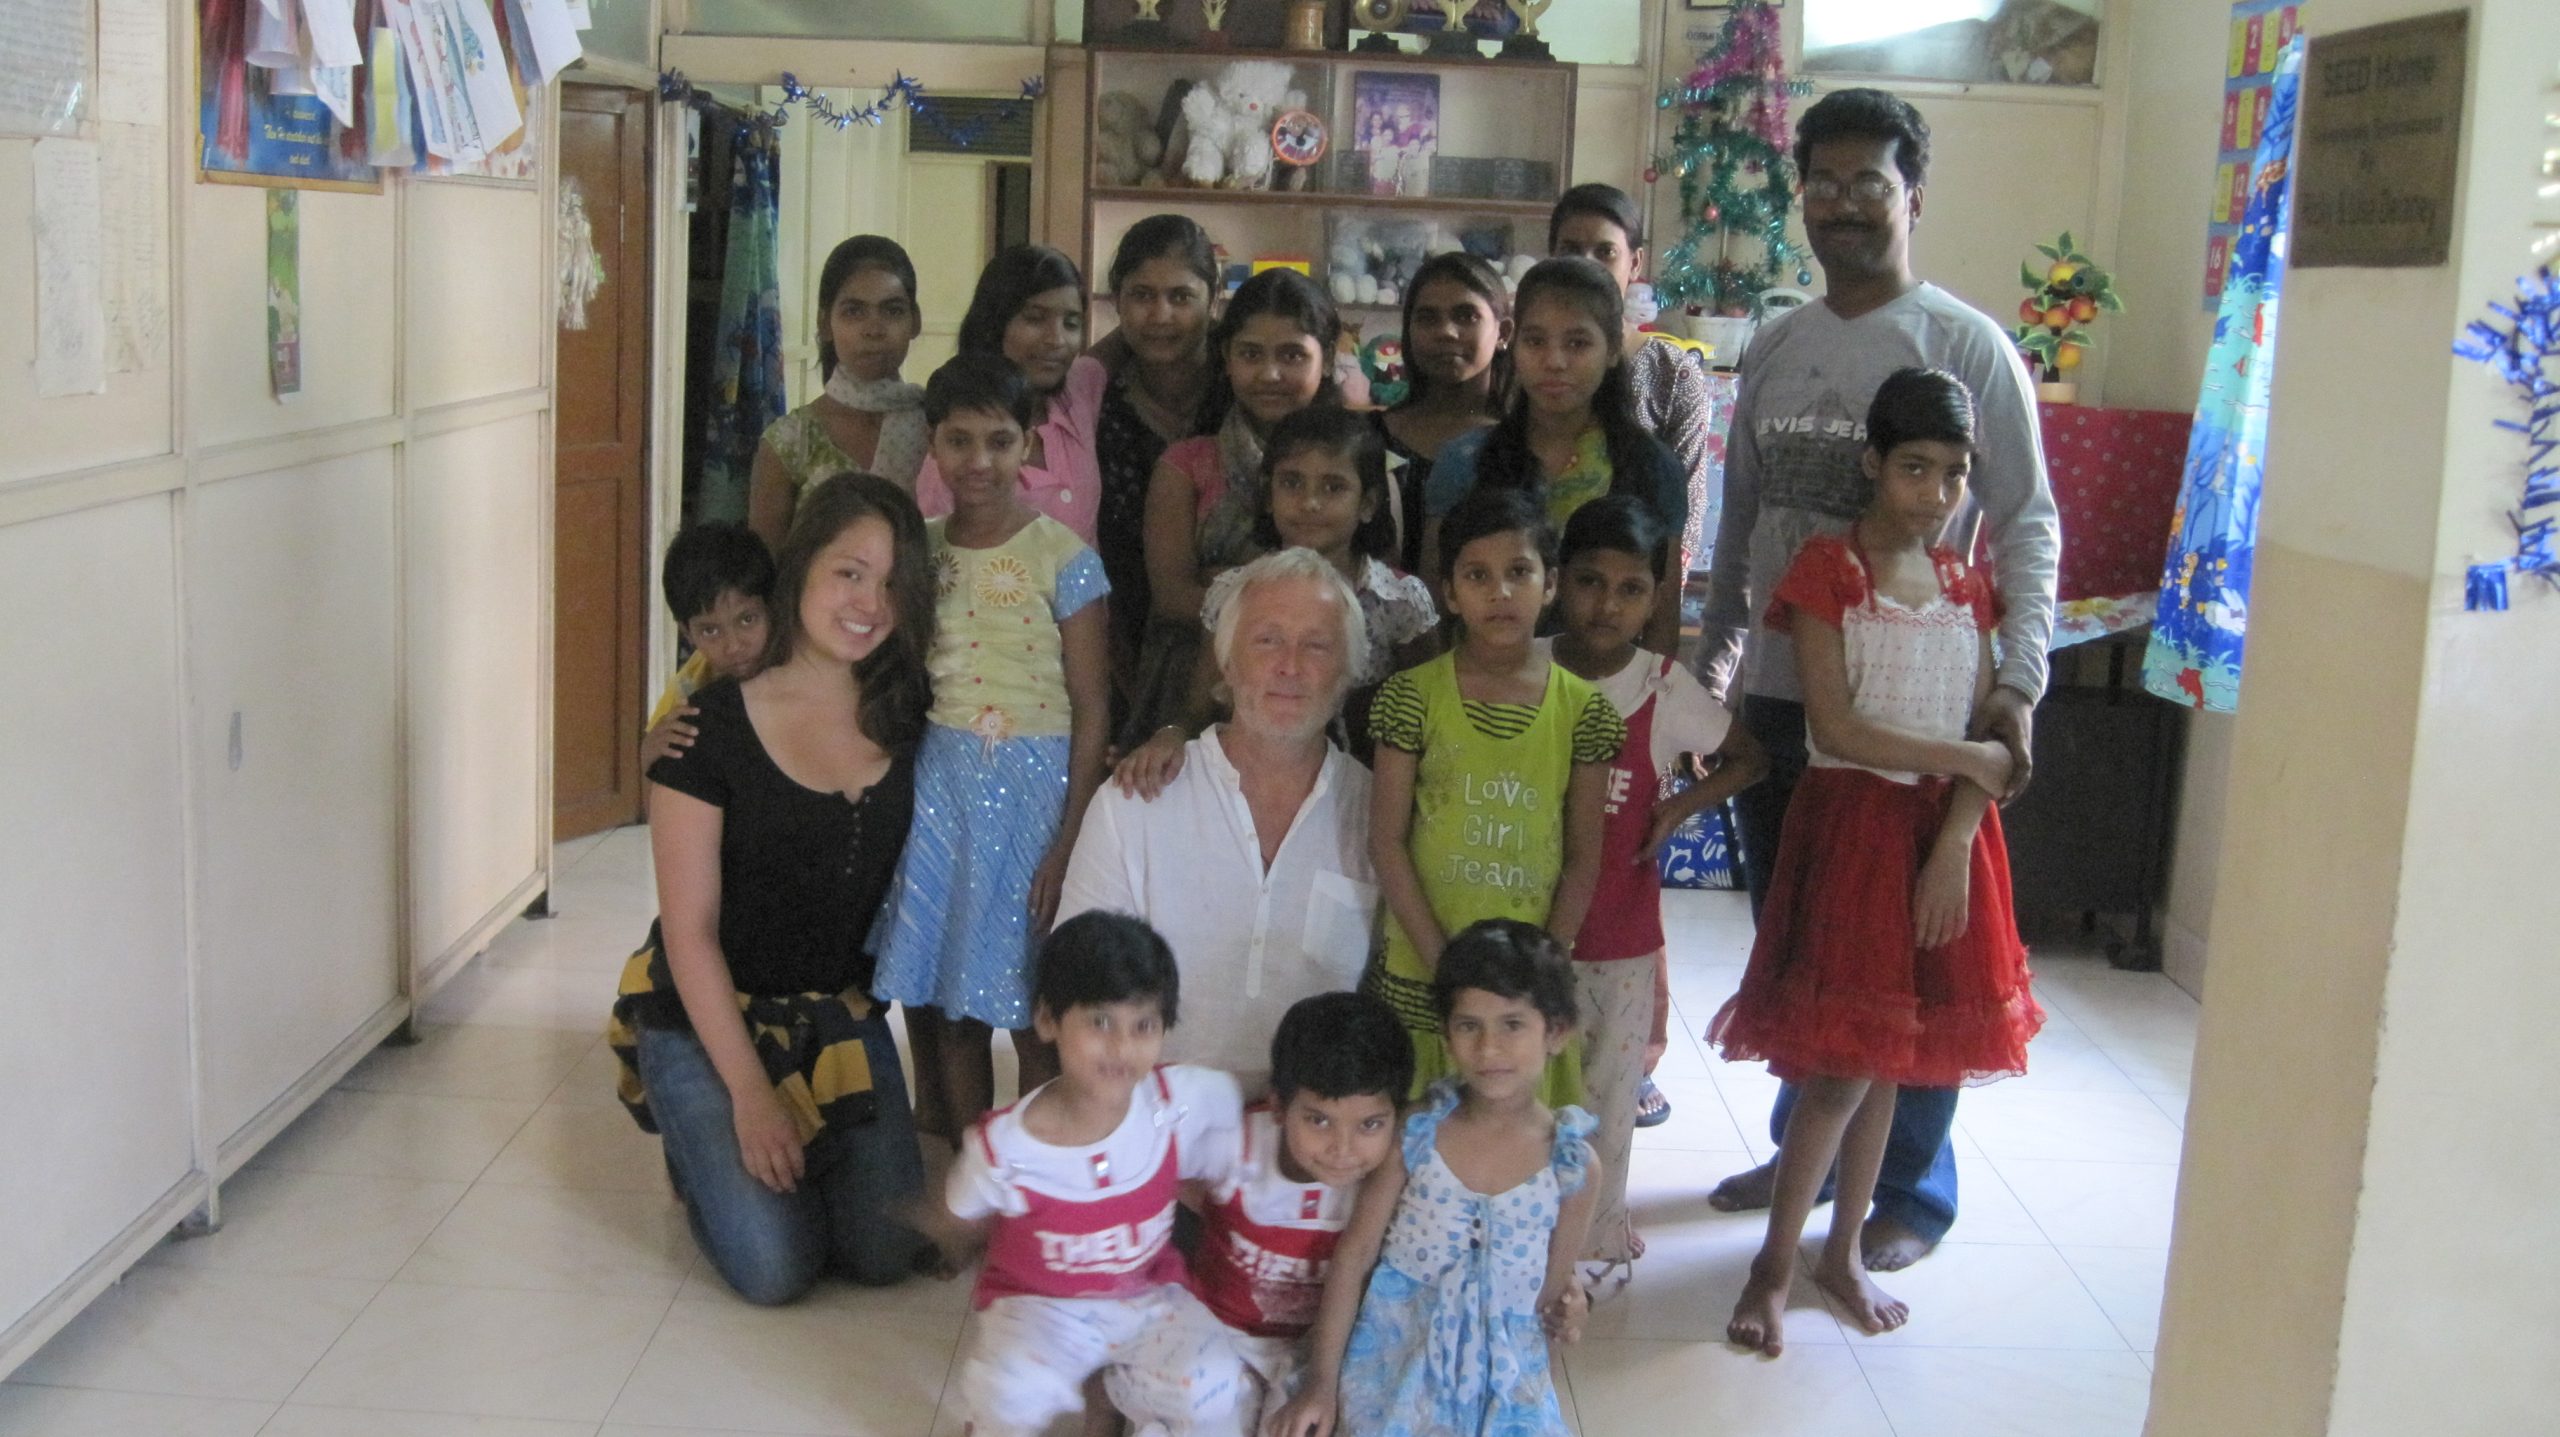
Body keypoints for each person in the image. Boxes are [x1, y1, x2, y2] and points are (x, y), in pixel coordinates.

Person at [1702, 88, 2062, 1273]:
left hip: (1918, 706)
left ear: (1912, 194)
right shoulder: (1776, 343)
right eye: (1824, 182)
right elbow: (1742, 517)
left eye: (1871, 182)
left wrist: (2016, 682)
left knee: (1915, 955)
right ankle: (1805, 1143)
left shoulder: (1962, 346)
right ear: (1799, 195)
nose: (1845, 204)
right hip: (1783, 698)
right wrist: (1717, 665)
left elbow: (2025, 522)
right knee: (1806, 937)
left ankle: (1906, 1188)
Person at [1707, 368, 2046, 1355]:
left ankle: (1840, 1251)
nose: (1934, 494)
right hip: (1853, 830)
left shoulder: (1963, 581)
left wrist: (1952, 842)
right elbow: (1841, 724)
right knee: (1843, 1066)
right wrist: (1962, 761)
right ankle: (1775, 1264)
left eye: (1951, 475)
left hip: (1941, 843)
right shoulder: (1827, 571)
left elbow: (1992, 732)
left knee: (1894, 1053)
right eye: (1913, 469)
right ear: (1872, 463)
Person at [603, 473, 937, 1306]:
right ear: (801, 569)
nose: (868, 601)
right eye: (849, 572)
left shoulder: (911, 711)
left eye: (891, 581)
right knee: (777, 1267)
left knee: (883, 1249)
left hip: (834, 1011)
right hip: (709, 1010)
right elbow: (690, 934)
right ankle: (695, 1135)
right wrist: (750, 1096)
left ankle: (787, 1155)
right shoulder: (705, 728)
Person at [869, 356, 1111, 1141]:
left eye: (1000, 440)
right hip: (939, 784)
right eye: (959, 440)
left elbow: (1093, 705)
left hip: (1035, 792)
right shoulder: (918, 551)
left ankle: (1037, 1176)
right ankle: (962, 1167)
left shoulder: (1064, 556)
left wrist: (1068, 838)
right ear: (931, 445)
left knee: (1027, 1001)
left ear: (1030, 443)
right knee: (948, 998)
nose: (979, 461)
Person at [1059, 548, 1381, 1091]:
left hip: (1314, 1130)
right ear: (1227, 664)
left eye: (1317, 645)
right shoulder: (1137, 801)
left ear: (1349, 673)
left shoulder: (1380, 816)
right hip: (1153, 1117)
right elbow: (1079, 985)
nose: (1290, 666)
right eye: (1267, 640)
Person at [1545, 495, 1769, 1273]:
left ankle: (1596, 1235)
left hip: (1621, 939)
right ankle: (1523, 1241)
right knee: (1527, 1098)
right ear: (1556, 582)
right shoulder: (1523, 668)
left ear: (1655, 598)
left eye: (1630, 588)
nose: (1606, 605)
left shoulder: (1663, 687)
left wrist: (1678, 806)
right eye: (1588, 581)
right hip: (1525, 936)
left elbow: (1750, 756)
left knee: (1608, 1101)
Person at [1273, 920, 1596, 1437]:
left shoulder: (1573, 1166)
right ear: (1445, 1034)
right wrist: (1321, 1384)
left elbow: (1549, 1303)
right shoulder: (1417, 1133)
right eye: (1469, 1025)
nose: (1489, 1049)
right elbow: (1354, 1258)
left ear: (1555, 1032)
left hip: (1504, 1388)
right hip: (1395, 1366)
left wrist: (1571, 1307)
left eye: (1512, 1024)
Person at [935, 912, 1248, 1437]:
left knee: (1216, 1386)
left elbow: (1235, 1140)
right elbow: (957, 1212)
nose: (1122, 1048)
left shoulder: (1179, 1105)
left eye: (1143, 1026)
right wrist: (945, 1230)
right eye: (1100, 1022)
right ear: (1048, 1020)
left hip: (1145, 1299)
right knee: (1010, 1394)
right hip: (1039, 1311)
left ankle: (1114, 1391)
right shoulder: (1004, 1149)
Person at [1367, 488, 1623, 1106]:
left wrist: (1541, 970)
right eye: (1477, 576)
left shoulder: (1584, 711)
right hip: (1422, 974)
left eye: (1518, 573)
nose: (1501, 593)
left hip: (1524, 989)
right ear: (1450, 593)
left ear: (1550, 583)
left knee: (1518, 1158)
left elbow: (1584, 856)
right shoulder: (1411, 698)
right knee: (1417, 1158)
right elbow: (1386, 841)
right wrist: (1444, 965)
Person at [1111, 991, 1412, 1435]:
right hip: (1216, 1333)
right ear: (1277, 1107)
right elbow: (1137, 1122)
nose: (1343, 1150)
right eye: (1319, 1120)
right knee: (1197, 1403)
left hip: (1315, 1353)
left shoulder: (1390, 1178)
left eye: (1369, 1124)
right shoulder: (1238, 1143)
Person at [1115, 406, 1437, 782]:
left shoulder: (1400, 603)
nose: (1310, 503)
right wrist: (1168, 737)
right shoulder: (1235, 594)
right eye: (1292, 482)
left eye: (1333, 487)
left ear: (1367, 504)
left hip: (1367, 795)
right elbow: (1199, 709)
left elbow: (1429, 715)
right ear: (1268, 496)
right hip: (1252, 789)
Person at [1422, 257, 1688, 654]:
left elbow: (1662, 622)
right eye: (1535, 340)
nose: (1554, 361)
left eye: (1577, 343)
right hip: (1484, 693)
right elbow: (1435, 610)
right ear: (1513, 344)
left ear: (1613, 348)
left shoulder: (1651, 467)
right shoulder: (1465, 461)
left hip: (1607, 694)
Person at [1123, 268, 1340, 746]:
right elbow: (1173, 598)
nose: (1270, 374)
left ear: (1327, 360)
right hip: (1190, 694)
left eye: (1292, 355)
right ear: (1225, 359)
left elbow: (1359, 584)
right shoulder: (1186, 466)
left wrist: (1225, 580)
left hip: (1316, 683)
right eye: (1250, 354)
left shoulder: (1362, 466)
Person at [1547, 183, 1723, 578]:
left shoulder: (1673, 373)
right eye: (1571, 250)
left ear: (1635, 263)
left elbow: (1686, 511)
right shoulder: (1525, 360)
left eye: (1605, 252)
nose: (1587, 264)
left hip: (1627, 591)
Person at [1090, 216, 1224, 697]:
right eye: (1142, 295)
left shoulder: (1246, 394)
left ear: (1213, 298)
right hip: (1115, 650)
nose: (1160, 315)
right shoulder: (1096, 409)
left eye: (1180, 297)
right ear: (1117, 301)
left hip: (1242, 654)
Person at [915, 245, 1109, 542]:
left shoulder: (1081, 386)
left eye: (1071, 323)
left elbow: (1137, 336)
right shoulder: (950, 458)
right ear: (994, 324)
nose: (1056, 340)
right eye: (1034, 318)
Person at [747, 237, 927, 551]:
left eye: (892, 311)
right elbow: (765, 572)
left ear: (915, 321)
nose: (874, 329)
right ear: (825, 324)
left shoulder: (939, 427)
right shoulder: (790, 442)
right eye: (854, 311)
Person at [1375, 251, 1511, 575]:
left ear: (1503, 333)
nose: (1446, 332)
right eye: (1427, 318)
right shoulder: (1368, 438)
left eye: (1466, 316)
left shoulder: (1519, 442)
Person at [640, 522, 775, 768]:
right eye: (710, 630)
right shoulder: (689, 689)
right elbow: (656, 781)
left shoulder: (801, 667)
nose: (733, 646)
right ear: (687, 633)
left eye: (747, 620)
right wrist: (649, 755)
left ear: (772, 609)